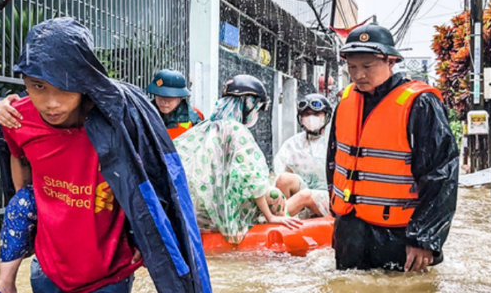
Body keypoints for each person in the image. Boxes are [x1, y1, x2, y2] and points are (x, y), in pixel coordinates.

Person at [0, 18, 216, 293]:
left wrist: (143, 238)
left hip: (108, 269)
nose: (51, 103)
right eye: (38, 86)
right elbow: (15, 159)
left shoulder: (119, 121)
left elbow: (155, 182)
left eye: (64, 88)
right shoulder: (18, 117)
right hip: (50, 267)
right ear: (25, 82)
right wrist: (28, 205)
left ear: (85, 82)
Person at [327, 23, 459, 272]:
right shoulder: (345, 101)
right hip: (350, 230)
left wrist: (423, 239)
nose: (358, 75)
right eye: (352, 67)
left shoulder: (420, 104)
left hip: (399, 235)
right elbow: (334, 162)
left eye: (367, 66)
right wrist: (336, 215)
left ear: (391, 61)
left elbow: (441, 176)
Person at [173, 74, 304, 245]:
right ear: (248, 105)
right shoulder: (237, 130)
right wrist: (270, 216)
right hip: (221, 218)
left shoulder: (204, 127)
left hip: (195, 215)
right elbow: (252, 179)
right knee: (273, 194)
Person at [273, 93, 333, 218]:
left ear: (326, 116)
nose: (311, 118)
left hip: (333, 198)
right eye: (306, 114)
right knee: (284, 179)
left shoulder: (336, 141)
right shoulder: (292, 145)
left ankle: (272, 221)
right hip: (302, 196)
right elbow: (278, 176)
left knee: (305, 196)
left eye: (316, 114)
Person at [146, 69, 204, 139]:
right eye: (160, 97)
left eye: (169, 97)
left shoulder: (194, 117)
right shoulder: (144, 114)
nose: (164, 102)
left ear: (180, 97)